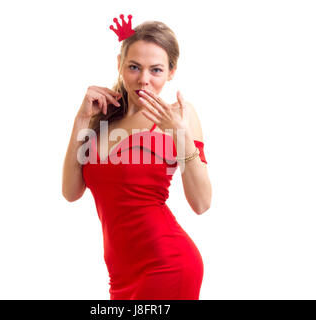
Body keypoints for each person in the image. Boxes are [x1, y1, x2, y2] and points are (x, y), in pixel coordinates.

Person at [62, 16, 212, 300]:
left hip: (167, 265)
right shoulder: (102, 116)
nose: (143, 79)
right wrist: (81, 120)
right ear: (119, 63)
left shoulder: (179, 115)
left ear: (171, 72)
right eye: (134, 67)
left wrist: (181, 137)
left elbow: (202, 203)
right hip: (120, 276)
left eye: (156, 69)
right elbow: (70, 192)